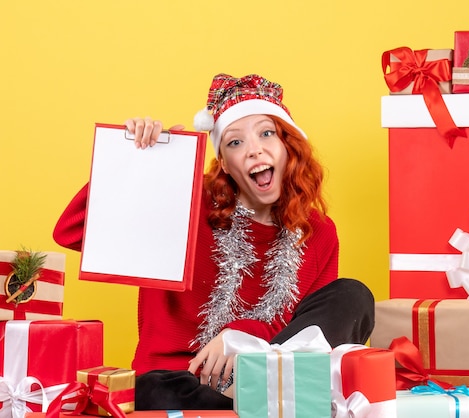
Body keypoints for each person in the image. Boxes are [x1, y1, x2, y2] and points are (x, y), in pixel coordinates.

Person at [53, 73, 375, 410]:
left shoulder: (319, 231)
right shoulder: (187, 202)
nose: (254, 150)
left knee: (353, 296)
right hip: (183, 378)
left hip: (265, 369)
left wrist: (242, 338)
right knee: (151, 389)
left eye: (267, 133)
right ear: (224, 163)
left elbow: (310, 334)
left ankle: (257, 389)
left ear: (287, 145)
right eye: (235, 142)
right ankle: (261, 400)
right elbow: (71, 231)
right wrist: (143, 165)